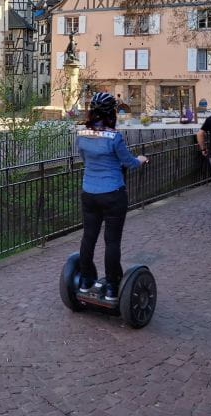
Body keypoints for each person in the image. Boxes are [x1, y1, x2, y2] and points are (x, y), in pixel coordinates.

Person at [76, 92, 148, 301]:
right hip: (113, 194)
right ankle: (111, 287)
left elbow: (85, 159)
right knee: (112, 241)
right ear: (112, 113)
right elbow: (129, 163)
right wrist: (141, 159)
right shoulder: (114, 137)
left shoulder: (81, 135)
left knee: (88, 237)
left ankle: (85, 280)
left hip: (89, 192)